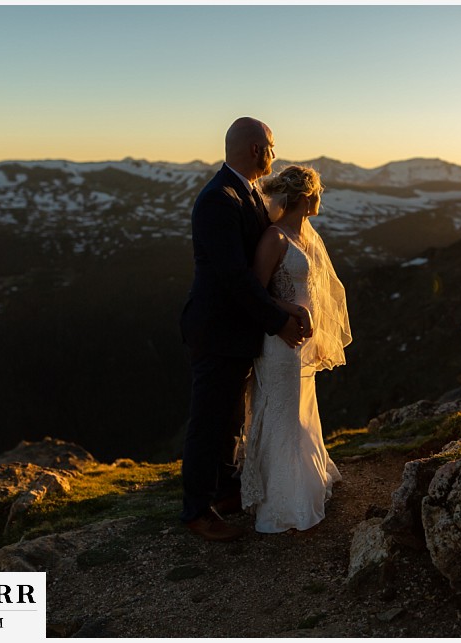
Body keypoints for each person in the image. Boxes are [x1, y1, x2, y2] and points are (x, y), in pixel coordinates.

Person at [179, 117, 310, 542]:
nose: (275, 154)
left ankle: (224, 489)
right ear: (256, 149)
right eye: (272, 146)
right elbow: (235, 277)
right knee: (209, 420)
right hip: (217, 330)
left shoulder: (246, 193)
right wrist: (279, 321)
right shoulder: (219, 199)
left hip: (238, 332)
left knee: (231, 417)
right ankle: (197, 512)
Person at [240, 164, 352, 534]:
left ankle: (307, 481)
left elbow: (319, 289)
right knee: (282, 414)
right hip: (280, 340)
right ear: (305, 197)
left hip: (302, 341)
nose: (320, 199)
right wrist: (290, 310)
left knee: (302, 411)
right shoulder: (275, 237)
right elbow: (255, 291)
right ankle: (282, 501)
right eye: (318, 193)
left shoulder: (306, 234)